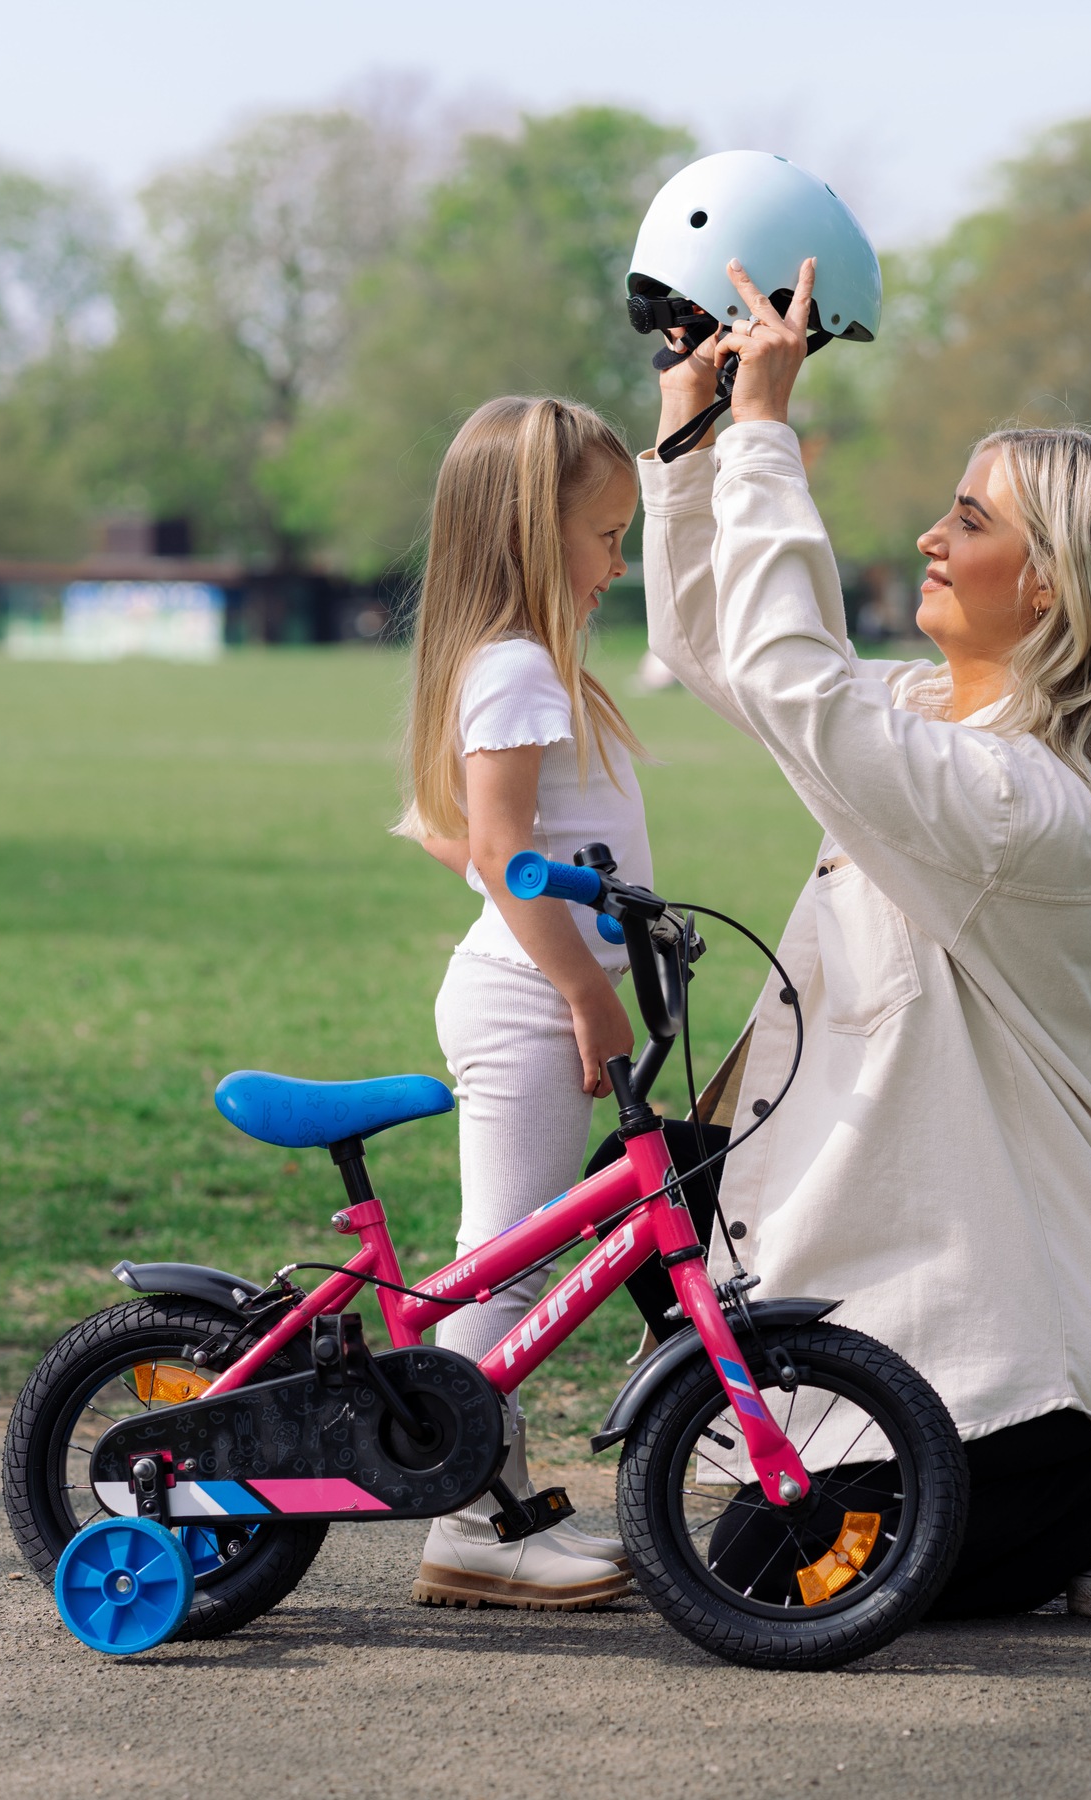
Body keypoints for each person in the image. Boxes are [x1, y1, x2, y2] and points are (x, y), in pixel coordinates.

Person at [642, 258, 1091, 1620]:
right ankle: (1010, 1479)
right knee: (749, 1558)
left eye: (969, 521)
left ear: (1052, 587)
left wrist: (768, 433)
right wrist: (691, 429)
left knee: (780, 1593)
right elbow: (719, 645)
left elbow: (792, 681)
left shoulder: (1024, 805)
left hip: (1051, 1323)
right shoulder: (925, 726)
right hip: (897, 1280)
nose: (930, 536)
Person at [391, 395, 648, 1610]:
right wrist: (588, 989)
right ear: (530, 532)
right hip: (528, 1004)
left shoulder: (518, 666)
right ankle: (472, 1526)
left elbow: (468, 835)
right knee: (492, 1271)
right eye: (604, 536)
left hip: (531, 991)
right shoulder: (518, 667)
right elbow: (498, 850)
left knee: (500, 1265)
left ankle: (486, 1508)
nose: (616, 563)